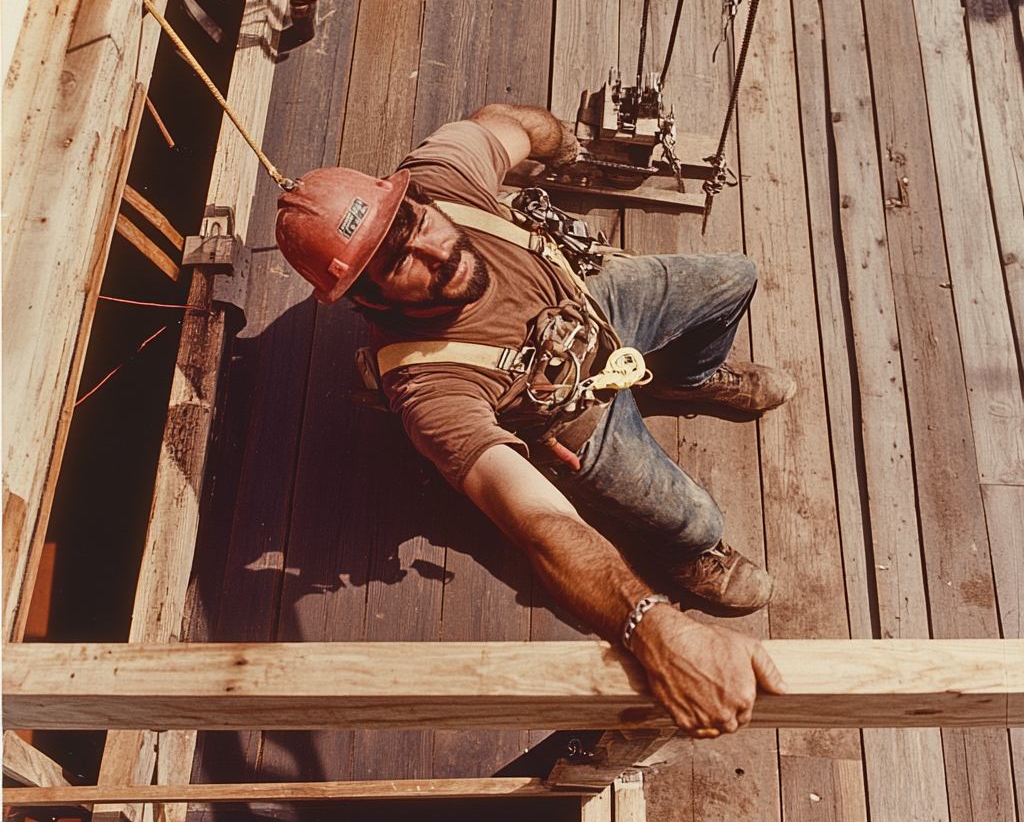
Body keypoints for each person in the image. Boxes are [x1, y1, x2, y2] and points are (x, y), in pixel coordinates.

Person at [276, 103, 791, 737]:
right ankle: (690, 553)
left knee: (734, 278)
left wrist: (564, 146)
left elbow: (506, 121)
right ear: (365, 298)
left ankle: (689, 376)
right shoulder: (429, 388)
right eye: (395, 262)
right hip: (576, 425)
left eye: (412, 221)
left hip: (592, 305)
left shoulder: (441, 178)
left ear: (414, 198)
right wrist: (654, 629)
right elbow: (540, 522)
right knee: (695, 521)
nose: (434, 250)